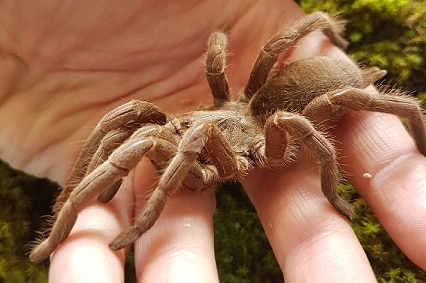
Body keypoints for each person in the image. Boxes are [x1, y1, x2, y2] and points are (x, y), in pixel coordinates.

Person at [0, 1, 425, 282]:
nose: (178, 128)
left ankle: (130, 220)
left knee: (289, 102)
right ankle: (65, 210)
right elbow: (214, 49)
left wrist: (144, 218)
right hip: (245, 111)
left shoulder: (260, 131)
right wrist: (76, 193)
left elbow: (296, 121)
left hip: (278, 114)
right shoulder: (192, 119)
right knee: (129, 116)